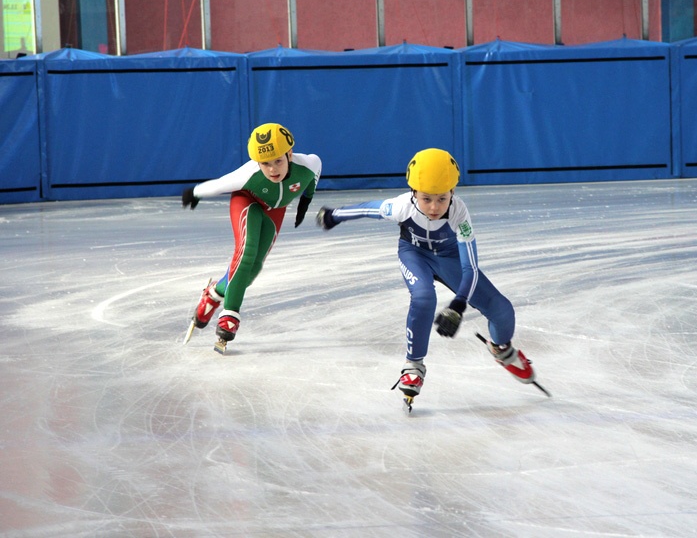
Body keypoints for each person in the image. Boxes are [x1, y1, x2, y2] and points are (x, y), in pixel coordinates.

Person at [315, 147, 538, 406]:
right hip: (415, 255)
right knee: (423, 298)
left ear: (453, 193)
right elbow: (368, 209)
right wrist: (334, 215)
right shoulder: (401, 207)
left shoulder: (459, 214)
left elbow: (470, 269)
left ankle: (502, 350)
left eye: (442, 199)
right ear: (413, 194)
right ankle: (413, 366)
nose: (434, 207)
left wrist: (458, 304)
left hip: (450, 259)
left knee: (502, 310)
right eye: (426, 199)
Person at [181, 122, 321, 354]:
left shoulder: (309, 163)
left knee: (253, 269)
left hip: (275, 210)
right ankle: (230, 316)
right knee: (245, 255)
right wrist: (195, 193)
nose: (273, 169)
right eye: (265, 163)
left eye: (278, 160)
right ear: (258, 163)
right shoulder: (249, 174)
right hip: (247, 203)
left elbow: (315, 175)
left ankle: (213, 294)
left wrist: (306, 202)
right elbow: (220, 184)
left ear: (290, 154)